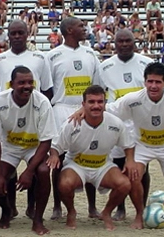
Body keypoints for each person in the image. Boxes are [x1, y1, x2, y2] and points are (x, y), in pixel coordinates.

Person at [105, 62, 164, 229]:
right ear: (144, 81)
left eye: (158, 82)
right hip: (141, 144)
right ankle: (140, 214)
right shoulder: (133, 99)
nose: (153, 86)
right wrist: (81, 111)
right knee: (133, 175)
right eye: (150, 81)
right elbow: (108, 109)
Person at [51, 85, 135, 230]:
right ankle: (71, 212)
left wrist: (130, 160)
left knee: (125, 184)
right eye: (91, 102)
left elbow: (128, 145)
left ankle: (107, 213)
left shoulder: (115, 123)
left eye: (100, 102)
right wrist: (54, 156)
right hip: (77, 165)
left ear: (105, 103)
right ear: (83, 105)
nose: (96, 106)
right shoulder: (72, 124)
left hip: (103, 165)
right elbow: (56, 146)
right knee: (64, 184)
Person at [45, 17, 101, 220]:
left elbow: (97, 85)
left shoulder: (90, 53)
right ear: (69, 30)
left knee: (89, 157)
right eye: (80, 26)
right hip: (61, 110)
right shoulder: (52, 55)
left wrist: (89, 109)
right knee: (56, 159)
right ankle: (57, 206)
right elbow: (47, 88)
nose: (84, 28)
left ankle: (92, 206)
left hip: (85, 111)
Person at [0, 66, 54, 235]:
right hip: (9, 147)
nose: (27, 86)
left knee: (43, 170)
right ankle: (7, 210)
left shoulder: (42, 102)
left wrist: (29, 171)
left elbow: (46, 141)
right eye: (21, 82)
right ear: (11, 84)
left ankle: (37, 219)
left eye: (30, 82)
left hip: (34, 147)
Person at [96, 29, 153, 220]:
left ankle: (142, 206)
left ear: (134, 41)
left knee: (142, 167)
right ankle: (120, 208)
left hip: (140, 123)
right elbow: (99, 94)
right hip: (116, 123)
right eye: (120, 41)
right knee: (119, 166)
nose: (124, 44)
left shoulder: (146, 63)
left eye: (128, 40)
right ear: (114, 43)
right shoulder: (105, 67)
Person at [0, 20, 53, 99]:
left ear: (27, 34)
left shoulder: (40, 57)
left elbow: (46, 89)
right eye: (13, 33)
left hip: (33, 109)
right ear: (8, 36)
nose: (17, 36)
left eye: (20, 33)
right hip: (7, 109)